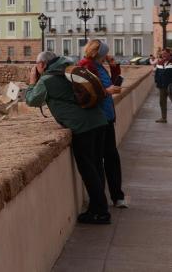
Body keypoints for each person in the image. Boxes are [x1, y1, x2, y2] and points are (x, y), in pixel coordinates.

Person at [25, 51, 111, 224]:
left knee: (88, 170)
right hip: (99, 120)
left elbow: (32, 100)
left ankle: (101, 212)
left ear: (41, 65)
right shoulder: (69, 68)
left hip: (82, 126)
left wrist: (32, 82)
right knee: (96, 167)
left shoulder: (47, 79)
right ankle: (98, 207)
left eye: (37, 64)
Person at [79, 40, 128, 208]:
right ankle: (102, 201)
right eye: (105, 53)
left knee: (112, 157)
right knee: (99, 160)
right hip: (97, 119)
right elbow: (86, 91)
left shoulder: (99, 66)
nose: (107, 55)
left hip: (107, 117)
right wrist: (107, 91)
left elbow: (109, 83)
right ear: (99, 53)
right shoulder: (86, 66)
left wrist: (113, 66)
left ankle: (117, 196)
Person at [156, 48, 172, 123]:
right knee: (162, 102)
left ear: (169, 53)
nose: (163, 55)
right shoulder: (160, 63)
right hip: (162, 86)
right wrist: (157, 82)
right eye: (162, 54)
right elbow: (157, 74)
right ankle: (163, 118)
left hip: (171, 86)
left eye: (165, 53)